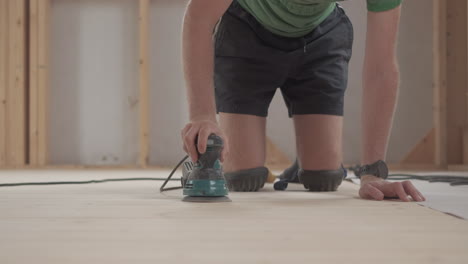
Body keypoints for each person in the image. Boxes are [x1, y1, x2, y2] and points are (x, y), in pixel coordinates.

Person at [180, 0, 425, 202]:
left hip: (320, 37)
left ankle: (310, 150)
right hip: (247, 32)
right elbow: (199, 20)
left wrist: (373, 172)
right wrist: (202, 116)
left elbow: (381, 68)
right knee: (244, 177)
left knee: (324, 178)